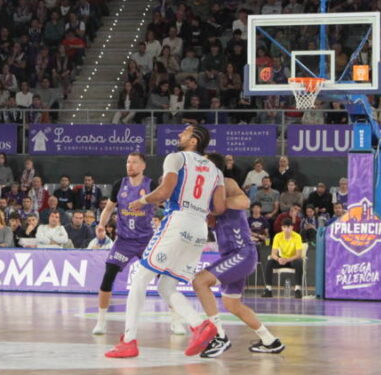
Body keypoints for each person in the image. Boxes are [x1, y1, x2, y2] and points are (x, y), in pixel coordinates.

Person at [106, 125, 224, 359]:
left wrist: (143, 200)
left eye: (185, 132)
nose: (180, 134)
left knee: (140, 279)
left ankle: (129, 340)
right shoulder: (215, 170)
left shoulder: (176, 157)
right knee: (166, 286)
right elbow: (219, 208)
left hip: (178, 222)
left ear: (193, 141)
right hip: (199, 228)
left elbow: (163, 191)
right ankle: (199, 325)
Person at [187, 154, 284, 358]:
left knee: (200, 282)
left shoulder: (226, 182)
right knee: (232, 304)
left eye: (203, 162)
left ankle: (219, 337)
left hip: (242, 252)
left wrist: (219, 204)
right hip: (231, 254)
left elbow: (244, 202)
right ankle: (270, 340)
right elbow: (212, 222)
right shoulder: (206, 191)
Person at [91, 153, 156, 335]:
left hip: (146, 240)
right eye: (128, 162)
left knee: (162, 277)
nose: (130, 165)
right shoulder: (120, 184)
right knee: (108, 274)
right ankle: (101, 321)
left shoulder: (151, 185)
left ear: (143, 166)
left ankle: (176, 321)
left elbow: (164, 203)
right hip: (124, 240)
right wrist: (101, 225)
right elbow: (109, 208)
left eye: (134, 162)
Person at [263, 218, 304, 298]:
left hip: (292, 260)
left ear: (292, 228)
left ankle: (297, 289)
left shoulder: (297, 236)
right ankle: (268, 289)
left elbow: (298, 254)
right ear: (282, 228)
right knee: (270, 262)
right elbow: (273, 254)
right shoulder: (277, 236)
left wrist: (287, 259)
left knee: (299, 261)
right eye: (285, 227)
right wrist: (278, 259)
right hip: (281, 260)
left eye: (288, 227)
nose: (286, 229)